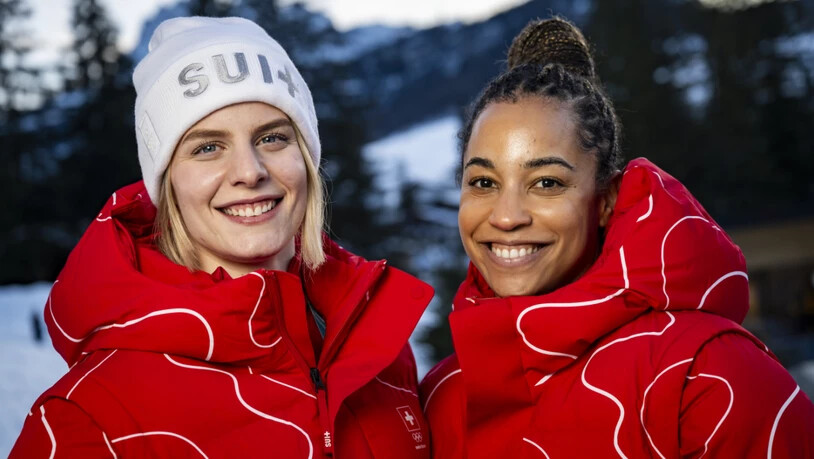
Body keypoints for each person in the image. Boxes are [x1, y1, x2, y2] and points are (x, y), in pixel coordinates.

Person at [11, 16, 433, 458]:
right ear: (167, 183)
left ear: (307, 158)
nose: (250, 172)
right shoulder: (88, 418)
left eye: (272, 138)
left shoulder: (379, 349)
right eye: (207, 147)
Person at [420, 17, 814, 458]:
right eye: (483, 182)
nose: (507, 216)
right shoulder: (437, 398)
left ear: (605, 200)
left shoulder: (707, 376)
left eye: (547, 183)